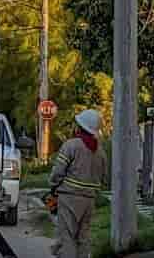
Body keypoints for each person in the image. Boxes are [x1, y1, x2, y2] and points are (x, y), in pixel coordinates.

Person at [50, 109, 108, 258]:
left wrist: (53, 185)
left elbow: (58, 172)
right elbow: (103, 178)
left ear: (80, 127)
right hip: (89, 201)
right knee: (83, 238)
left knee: (67, 237)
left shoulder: (71, 145)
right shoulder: (100, 151)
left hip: (69, 198)